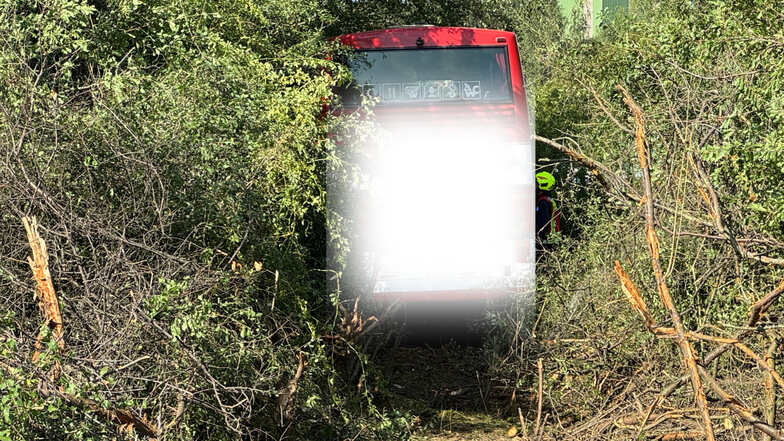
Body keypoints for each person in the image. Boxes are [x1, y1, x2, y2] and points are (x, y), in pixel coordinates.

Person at [535, 171, 561, 249]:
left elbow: (543, 223)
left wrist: (537, 237)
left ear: (543, 185)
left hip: (546, 241)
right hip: (552, 240)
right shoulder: (548, 200)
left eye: (536, 184)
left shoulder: (543, 202)